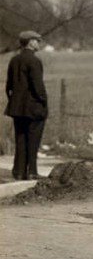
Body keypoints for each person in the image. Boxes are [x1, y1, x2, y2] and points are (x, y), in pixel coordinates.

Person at [4, 31, 47, 180]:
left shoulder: (14, 60)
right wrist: (43, 101)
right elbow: (38, 87)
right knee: (33, 140)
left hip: (17, 108)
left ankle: (19, 171)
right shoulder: (34, 61)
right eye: (37, 40)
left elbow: (8, 86)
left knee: (20, 139)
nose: (38, 43)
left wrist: (14, 100)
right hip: (34, 107)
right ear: (30, 42)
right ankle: (32, 172)